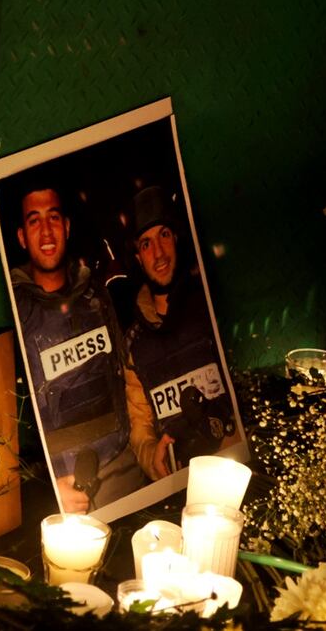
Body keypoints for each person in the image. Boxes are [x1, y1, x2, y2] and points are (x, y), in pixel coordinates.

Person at [9, 182, 150, 512]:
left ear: (67, 227)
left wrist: (145, 446)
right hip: (61, 492)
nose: (46, 231)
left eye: (53, 218)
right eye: (34, 220)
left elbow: (128, 378)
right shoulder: (15, 315)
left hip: (123, 470)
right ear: (21, 237)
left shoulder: (97, 296)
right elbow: (7, 427)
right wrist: (45, 489)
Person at [125, 185, 238, 476]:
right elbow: (140, 429)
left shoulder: (213, 308)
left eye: (163, 235)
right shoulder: (134, 345)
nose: (159, 253)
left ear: (176, 238)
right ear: (138, 257)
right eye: (146, 244)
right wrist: (153, 457)